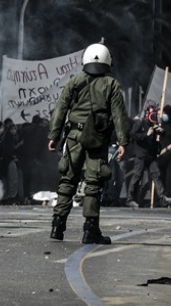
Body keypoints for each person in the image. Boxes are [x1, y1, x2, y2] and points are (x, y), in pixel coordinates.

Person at [47, 42, 130, 244]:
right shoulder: (111, 85)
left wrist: (54, 136)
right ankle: (90, 230)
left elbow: (60, 109)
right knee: (93, 183)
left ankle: (57, 226)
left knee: (68, 180)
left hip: (73, 137)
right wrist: (123, 142)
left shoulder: (74, 81)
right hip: (96, 140)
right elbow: (119, 115)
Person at [125, 106, 171, 208]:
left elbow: (161, 135)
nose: (153, 116)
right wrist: (146, 134)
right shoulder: (140, 123)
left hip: (151, 156)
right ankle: (130, 199)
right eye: (151, 114)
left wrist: (161, 131)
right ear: (146, 114)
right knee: (137, 176)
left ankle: (163, 198)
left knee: (157, 175)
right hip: (141, 155)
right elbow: (133, 135)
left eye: (154, 114)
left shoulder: (154, 125)